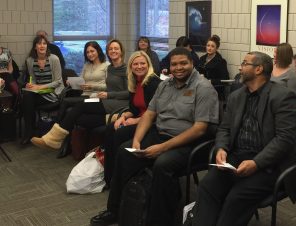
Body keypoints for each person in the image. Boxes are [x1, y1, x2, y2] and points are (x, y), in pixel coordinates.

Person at [90, 47, 219, 226]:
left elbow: (199, 129)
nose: (178, 67)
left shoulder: (204, 88)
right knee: (124, 152)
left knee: (162, 164)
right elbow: (150, 114)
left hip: (188, 143)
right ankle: (115, 210)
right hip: (159, 134)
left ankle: (158, 219)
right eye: (174, 64)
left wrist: (162, 148)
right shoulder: (165, 85)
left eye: (183, 63)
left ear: (192, 63)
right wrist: (136, 140)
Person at [191, 51, 296, 226]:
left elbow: (284, 139)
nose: (240, 68)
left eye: (244, 63)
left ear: (258, 69)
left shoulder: (282, 96)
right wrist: (221, 149)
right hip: (237, 157)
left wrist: (256, 163)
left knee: (236, 197)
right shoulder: (236, 96)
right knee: (207, 186)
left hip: (269, 164)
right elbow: (224, 128)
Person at [30, 39, 129, 150]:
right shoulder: (111, 68)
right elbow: (106, 86)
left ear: (121, 51)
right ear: (107, 51)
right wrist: (74, 82)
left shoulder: (126, 69)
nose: (113, 51)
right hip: (103, 100)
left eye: (116, 48)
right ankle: (65, 143)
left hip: (115, 103)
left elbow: (130, 93)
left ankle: (53, 139)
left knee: (80, 105)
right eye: (110, 49)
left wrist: (107, 94)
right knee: (79, 117)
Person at [103, 50, 161, 185]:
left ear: (148, 64)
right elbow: (133, 109)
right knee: (111, 128)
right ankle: (109, 175)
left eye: (142, 63)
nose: (139, 66)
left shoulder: (153, 82)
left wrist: (134, 120)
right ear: (131, 66)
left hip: (150, 123)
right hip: (138, 119)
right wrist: (122, 117)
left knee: (120, 133)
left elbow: (155, 113)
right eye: (135, 64)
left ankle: (120, 178)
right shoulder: (134, 81)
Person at [21, 35, 64, 145]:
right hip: (38, 93)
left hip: (53, 93)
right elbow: (33, 80)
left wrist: (40, 87)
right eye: (39, 43)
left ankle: (29, 132)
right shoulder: (30, 60)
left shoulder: (54, 58)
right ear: (35, 46)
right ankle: (30, 132)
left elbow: (58, 81)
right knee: (27, 95)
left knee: (26, 100)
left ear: (47, 45)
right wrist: (31, 86)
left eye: (44, 43)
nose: (42, 46)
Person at [57, 41, 108, 122]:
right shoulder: (87, 65)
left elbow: (108, 86)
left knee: (66, 102)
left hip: (97, 97)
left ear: (98, 50)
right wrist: (72, 82)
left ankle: (57, 127)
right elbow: (81, 80)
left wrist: (92, 86)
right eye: (87, 52)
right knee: (66, 103)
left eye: (92, 51)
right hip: (85, 95)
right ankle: (62, 129)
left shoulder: (106, 66)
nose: (90, 54)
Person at [197, 34, 229, 100]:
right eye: (208, 46)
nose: (209, 48)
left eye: (212, 46)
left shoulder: (221, 61)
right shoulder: (202, 58)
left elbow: (226, 79)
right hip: (200, 88)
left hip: (214, 90)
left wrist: (210, 81)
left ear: (216, 48)